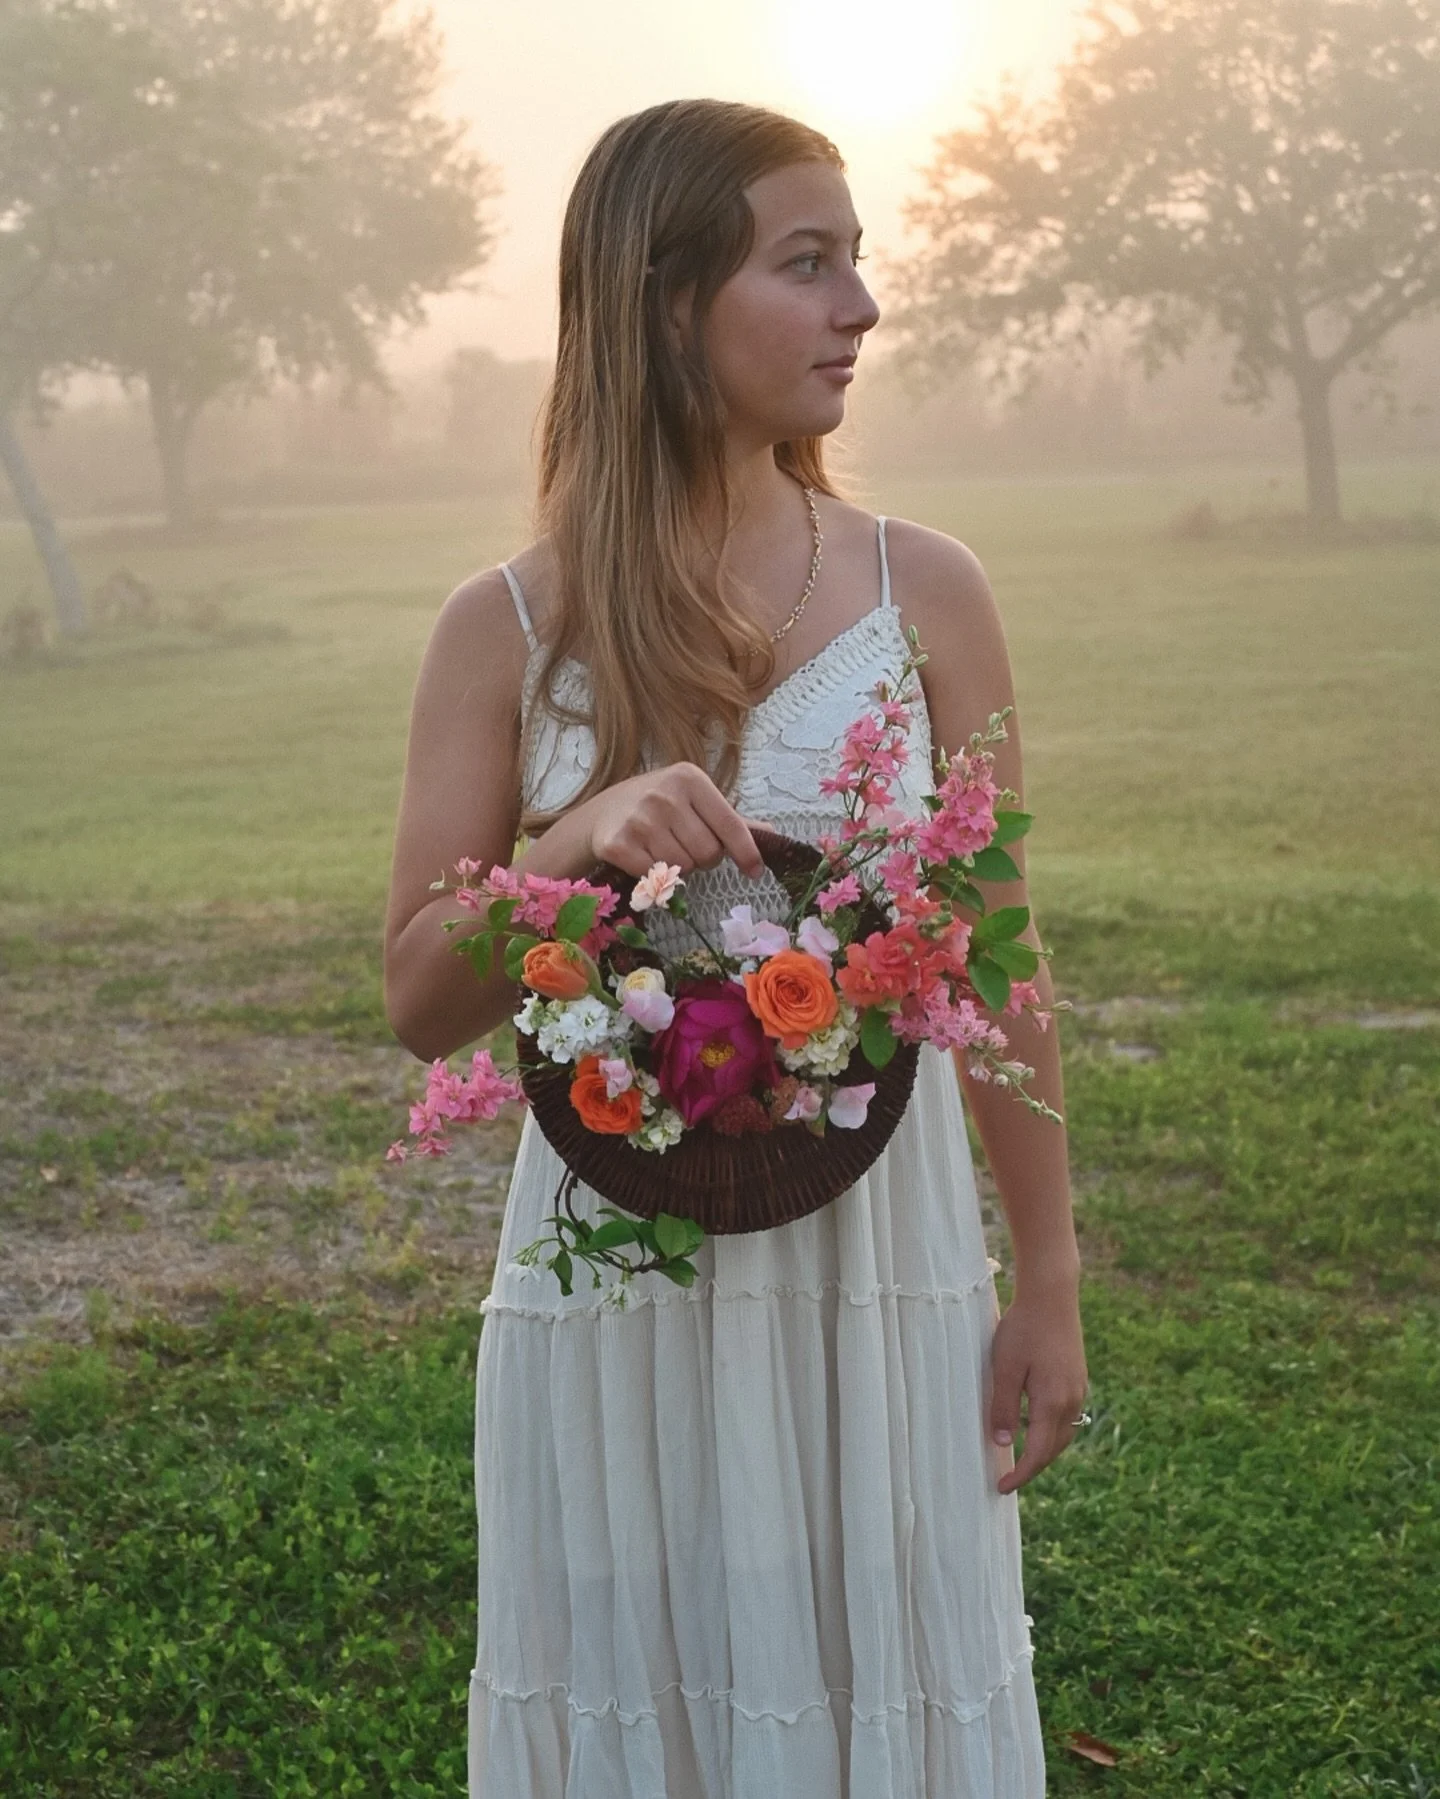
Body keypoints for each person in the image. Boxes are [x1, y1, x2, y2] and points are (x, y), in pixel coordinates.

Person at [384, 97, 1088, 1799]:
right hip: (619, 1271)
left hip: (887, 1257)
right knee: (657, 1692)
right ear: (661, 296)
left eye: (859, 261)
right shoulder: (511, 624)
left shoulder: (934, 589)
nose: (862, 307)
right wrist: (569, 845)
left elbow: (996, 954)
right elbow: (419, 995)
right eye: (808, 262)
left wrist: (1049, 1275)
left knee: (879, 1673)